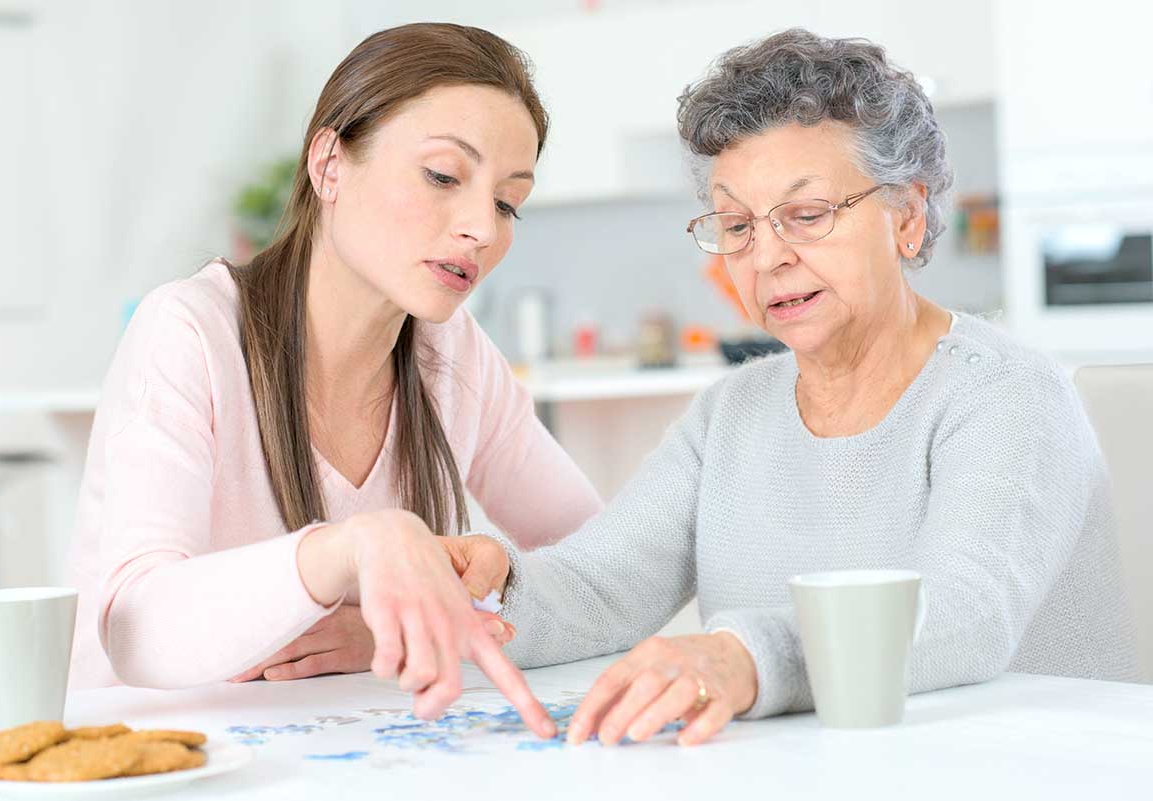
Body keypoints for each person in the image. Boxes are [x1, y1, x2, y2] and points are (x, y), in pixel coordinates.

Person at [446, 28, 1139, 747]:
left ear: (906, 216)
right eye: (738, 224)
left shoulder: (1008, 393)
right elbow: (604, 585)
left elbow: (967, 612)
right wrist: (495, 587)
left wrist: (750, 656)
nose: (768, 256)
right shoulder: (731, 413)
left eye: (806, 216)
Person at [66, 22, 604, 739]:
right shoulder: (191, 331)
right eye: (443, 176)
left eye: (507, 201)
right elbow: (132, 627)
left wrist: (407, 631)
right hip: (161, 762)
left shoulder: (455, 355)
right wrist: (348, 550)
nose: (481, 226)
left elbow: (610, 568)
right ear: (329, 164)